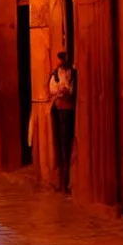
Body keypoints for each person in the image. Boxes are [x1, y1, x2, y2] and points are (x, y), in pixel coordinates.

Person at [50, 51, 77, 193]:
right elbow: (54, 89)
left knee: (66, 145)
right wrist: (61, 92)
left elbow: (70, 90)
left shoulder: (71, 73)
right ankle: (62, 181)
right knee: (61, 145)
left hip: (67, 108)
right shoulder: (56, 74)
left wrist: (64, 91)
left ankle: (66, 182)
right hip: (60, 109)